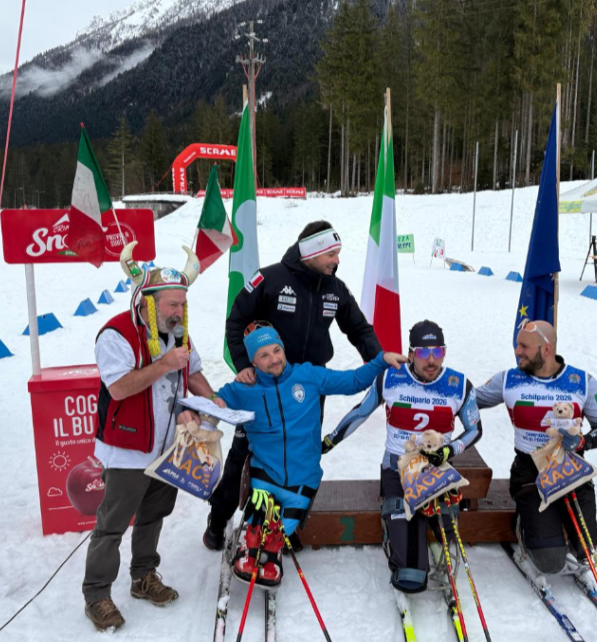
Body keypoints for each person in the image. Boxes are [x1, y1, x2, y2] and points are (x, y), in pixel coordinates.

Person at [204, 221, 382, 550]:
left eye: (338, 254)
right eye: (331, 253)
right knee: (243, 451)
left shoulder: (335, 288)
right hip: (263, 385)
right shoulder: (269, 279)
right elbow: (236, 320)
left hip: (307, 387)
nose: (336, 260)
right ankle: (219, 516)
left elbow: (359, 329)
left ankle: (288, 522)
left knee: (303, 454)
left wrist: (382, 365)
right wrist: (244, 366)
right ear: (311, 253)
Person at [82, 245, 223, 632]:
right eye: (171, 304)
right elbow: (120, 388)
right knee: (112, 524)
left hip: (168, 445)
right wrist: (162, 364)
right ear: (147, 302)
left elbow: (191, 372)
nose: (178, 311)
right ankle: (96, 594)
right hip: (127, 450)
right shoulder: (116, 334)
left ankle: (144, 576)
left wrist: (212, 399)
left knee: (153, 516)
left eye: (182, 303)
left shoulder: (179, 333)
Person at [215, 322, 407, 586]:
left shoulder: (307, 376)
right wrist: (202, 409)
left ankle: (272, 550)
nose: (274, 359)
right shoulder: (243, 389)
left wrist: (381, 360)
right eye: (264, 355)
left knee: (282, 528)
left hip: (302, 477)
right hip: (265, 475)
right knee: (259, 518)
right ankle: (249, 544)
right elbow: (216, 403)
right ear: (253, 362)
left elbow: (352, 381)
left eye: (276, 350)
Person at [322, 320, 482, 593]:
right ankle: (398, 533)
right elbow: (360, 412)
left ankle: (427, 530)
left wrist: (451, 449)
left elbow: (475, 429)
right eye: (422, 353)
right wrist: (328, 442)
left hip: (436, 467)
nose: (431, 360)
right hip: (397, 465)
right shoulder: (391, 377)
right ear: (410, 354)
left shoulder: (458, 384)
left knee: (438, 520)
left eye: (437, 352)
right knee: (405, 546)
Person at [476, 320, 597, 575]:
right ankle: (526, 524)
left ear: (546, 349)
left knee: (588, 553)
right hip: (530, 470)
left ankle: (562, 525)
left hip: (570, 468)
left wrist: (583, 441)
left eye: (524, 346)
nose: (517, 351)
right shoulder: (509, 379)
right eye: (518, 344)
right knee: (550, 563)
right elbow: (467, 401)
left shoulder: (581, 381)